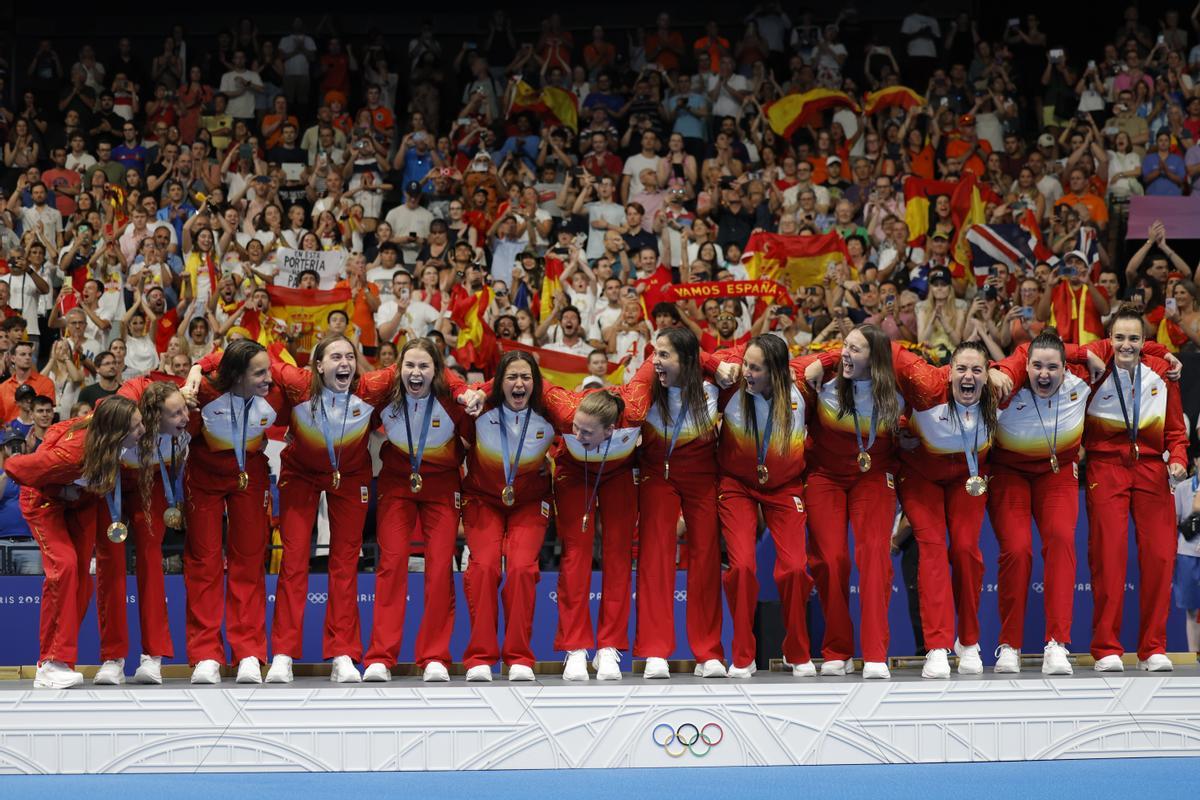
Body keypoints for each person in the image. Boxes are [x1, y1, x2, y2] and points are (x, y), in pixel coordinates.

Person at [191, 335, 393, 684]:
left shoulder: (370, 386)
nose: (344, 363)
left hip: (350, 476)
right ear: (317, 365)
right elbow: (249, 350)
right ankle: (282, 653)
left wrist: (467, 389)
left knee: (345, 565)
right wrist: (199, 365)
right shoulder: (296, 383)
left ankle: (343, 653)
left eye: (349, 356)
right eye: (334, 357)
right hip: (300, 474)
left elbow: (419, 363)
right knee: (294, 561)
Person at [4, 396, 144, 689]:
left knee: (81, 582)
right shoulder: (73, 453)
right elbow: (18, 467)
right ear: (116, 431)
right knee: (64, 568)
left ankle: (60, 662)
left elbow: (96, 405)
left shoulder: (104, 418)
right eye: (136, 426)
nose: (142, 430)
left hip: (80, 504)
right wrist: (59, 484)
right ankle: (49, 663)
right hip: (45, 504)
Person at [1079, 309, 1188, 672]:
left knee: (1159, 556)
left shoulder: (1161, 374)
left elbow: (1175, 431)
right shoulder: (1095, 370)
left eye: (1134, 339)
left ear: (1145, 343)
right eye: (1120, 338)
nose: (1126, 345)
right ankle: (1107, 648)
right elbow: (1065, 351)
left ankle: (1153, 647)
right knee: (1108, 556)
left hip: (1152, 468)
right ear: (1110, 340)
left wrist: (1179, 459)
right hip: (1105, 467)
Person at [178, 339, 286, 684]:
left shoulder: (277, 392)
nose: (269, 378)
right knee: (204, 564)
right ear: (237, 375)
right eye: (259, 373)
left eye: (268, 370)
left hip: (250, 476)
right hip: (204, 478)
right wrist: (197, 367)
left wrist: (200, 361)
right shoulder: (204, 392)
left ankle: (249, 652)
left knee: (249, 562)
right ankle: (206, 654)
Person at [710, 336, 817, 678]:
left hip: (785, 487)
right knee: (741, 567)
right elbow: (688, 353)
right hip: (737, 485)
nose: (748, 373)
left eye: (756, 368)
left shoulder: (803, 388)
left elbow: (842, 352)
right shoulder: (730, 385)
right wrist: (715, 366)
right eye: (746, 364)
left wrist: (825, 364)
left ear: (778, 373)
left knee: (796, 569)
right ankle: (742, 655)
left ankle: (797, 650)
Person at [363, 338, 471, 683]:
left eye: (424, 366)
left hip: (442, 488)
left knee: (440, 569)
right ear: (398, 369)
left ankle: (435, 656)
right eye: (409, 365)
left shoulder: (451, 401)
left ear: (436, 371)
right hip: (396, 486)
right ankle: (381, 656)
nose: (416, 373)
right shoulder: (384, 398)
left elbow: (476, 439)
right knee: (391, 565)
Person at [800, 325, 904, 678]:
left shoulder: (898, 390)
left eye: (855, 349)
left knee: (874, 555)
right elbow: (784, 366)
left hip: (873, 477)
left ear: (875, 359)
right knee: (830, 560)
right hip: (824, 476)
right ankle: (837, 649)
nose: (846, 354)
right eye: (844, 347)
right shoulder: (822, 379)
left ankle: (875, 652)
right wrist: (825, 357)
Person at [624, 327, 725, 679]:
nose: (655, 361)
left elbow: (745, 355)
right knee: (655, 557)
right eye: (654, 353)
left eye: (664, 355)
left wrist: (713, 362)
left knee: (707, 559)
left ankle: (708, 652)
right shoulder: (647, 385)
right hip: (656, 474)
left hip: (702, 476)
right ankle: (654, 650)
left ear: (688, 361)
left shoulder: (714, 389)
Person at [894, 340, 998, 679]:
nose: (968, 377)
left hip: (967, 478)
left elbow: (1035, 355)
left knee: (967, 550)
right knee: (933, 549)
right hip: (922, 476)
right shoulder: (927, 384)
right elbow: (887, 348)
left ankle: (968, 642)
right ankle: (936, 647)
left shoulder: (998, 391)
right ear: (948, 372)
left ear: (988, 374)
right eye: (961, 369)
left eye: (977, 370)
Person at [987, 333, 1090, 674]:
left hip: (1056, 473)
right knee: (1017, 550)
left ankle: (1057, 643)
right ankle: (1009, 645)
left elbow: (1120, 346)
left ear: (1066, 367)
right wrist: (1000, 365)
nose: (1044, 375)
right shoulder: (1006, 385)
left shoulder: (1083, 379)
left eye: (1052, 367)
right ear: (1025, 365)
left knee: (1061, 540)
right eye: (1036, 366)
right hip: (1008, 473)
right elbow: (982, 370)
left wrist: (1164, 355)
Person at [455, 351, 556, 682]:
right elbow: (456, 449)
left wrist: (552, 462)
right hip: (483, 499)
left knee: (522, 570)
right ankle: (480, 656)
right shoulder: (479, 409)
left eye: (526, 377)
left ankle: (519, 657)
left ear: (535, 383)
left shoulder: (548, 411)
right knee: (483, 568)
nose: (519, 384)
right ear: (499, 382)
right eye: (511, 377)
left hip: (530, 502)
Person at [114, 378, 192, 684]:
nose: (185, 417)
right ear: (153, 417)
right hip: (114, 487)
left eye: (184, 409)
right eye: (175, 414)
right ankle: (113, 657)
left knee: (150, 559)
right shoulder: (125, 424)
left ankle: (152, 656)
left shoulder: (183, 430)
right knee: (112, 566)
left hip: (153, 486)